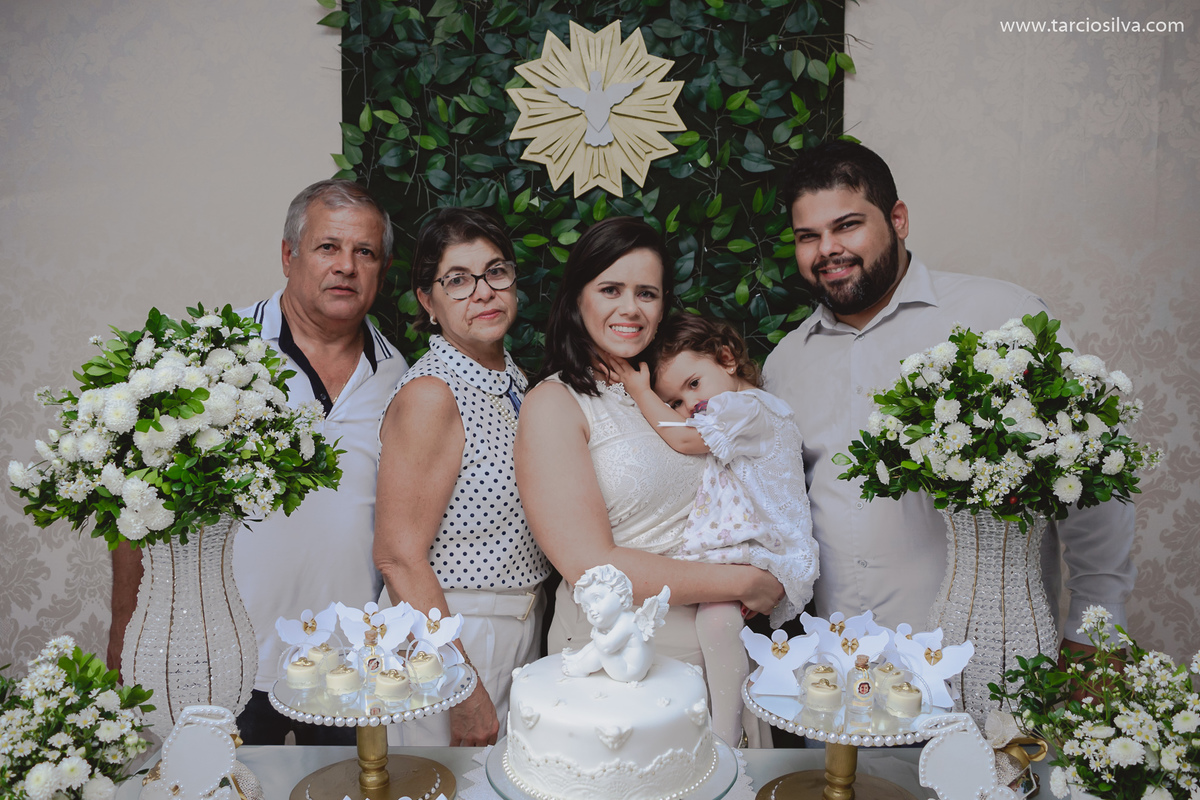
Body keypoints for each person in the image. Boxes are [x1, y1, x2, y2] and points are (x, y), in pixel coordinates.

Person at [762, 141, 1136, 652]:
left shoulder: (1003, 317)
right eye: (808, 236)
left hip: (987, 665)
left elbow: (1091, 486)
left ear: (898, 219)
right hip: (837, 671)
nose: (827, 249)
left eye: (847, 225)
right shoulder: (784, 364)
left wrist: (1098, 632)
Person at [107, 179, 407, 745]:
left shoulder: (401, 375)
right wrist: (126, 625)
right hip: (226, 658)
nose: (346, 266)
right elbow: (135, 495)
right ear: (289, 256)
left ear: (381, 270)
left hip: (347, 665)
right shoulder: (214, 354)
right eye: (328, 247)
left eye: (364, 252)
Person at [514, 216, 785, 747]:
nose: (630, 308)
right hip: (618, 659)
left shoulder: (668, 395)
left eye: (647, 293)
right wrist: (745, 582)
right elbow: (590, 565)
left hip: (719, 649)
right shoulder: (553, 403)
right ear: (576, 299)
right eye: (610, 289)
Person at [374, 207, 551, 747]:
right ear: (428, 301)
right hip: (449, 631)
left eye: (496, 271)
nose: (483, 292)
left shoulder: (514, 379)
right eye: (458, 280)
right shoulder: (432, 394)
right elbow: (398, 556)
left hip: (519, 623)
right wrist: (461, 685)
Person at [611, 312, 818, 745]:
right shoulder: (737, 409)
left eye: (693, 384)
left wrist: (638, 390)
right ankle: (729, 730)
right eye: (676, 402)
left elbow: (684, 439)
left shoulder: (748, 408)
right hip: (749, 543)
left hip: (767, 544)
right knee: (721, 623)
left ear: (726, 358)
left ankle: (726, 736)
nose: (690, 407)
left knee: (718, 624)